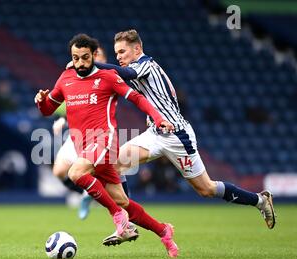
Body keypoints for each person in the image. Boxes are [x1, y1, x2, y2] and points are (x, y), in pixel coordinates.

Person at [94, 29, 277, 234]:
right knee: (115, 164)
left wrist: (92, 66)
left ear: (137, 49)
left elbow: (127, 74)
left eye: (122, 52)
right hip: (155, 134)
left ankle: (260, 200)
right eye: (116, 53)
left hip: (177, 136)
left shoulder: (146, 64)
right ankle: (128, 222)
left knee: (206, 189)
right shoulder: (136, 67)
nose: (118, 57)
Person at [35, 34, 179, 258]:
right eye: (75, 58)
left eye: (85, 57)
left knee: (76, 172)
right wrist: (41, 101)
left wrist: (158, 118)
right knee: (123, 200)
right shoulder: (65, 78)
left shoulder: (107, 77)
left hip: (105, 139)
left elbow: (137, 99)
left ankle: (116, 215)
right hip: (83, 145)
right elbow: (47, 110)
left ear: (94, 55)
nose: (80, 63)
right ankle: (163, 231)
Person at [52, 45, 128, 220]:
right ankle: (89, 194)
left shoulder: (109, 77)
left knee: (116, 180)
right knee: (59, 171)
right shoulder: (78, 77)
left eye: (98, 56)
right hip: (77, 135)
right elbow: (71, 102)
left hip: (102, 137)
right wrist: (63, 119)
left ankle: (122, 216)